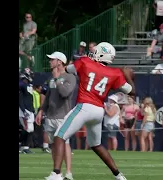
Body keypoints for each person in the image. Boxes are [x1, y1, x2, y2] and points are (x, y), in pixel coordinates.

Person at [46, 42, 135, 180]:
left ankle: (56, 174)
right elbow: (132, 92)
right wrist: (127, 75)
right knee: (96, 145)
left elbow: (69, 69)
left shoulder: (86, 61)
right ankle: (119, 175)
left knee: (59, 135)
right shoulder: (115, 73)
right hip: (99, 111)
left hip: (85, 106)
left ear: (100, 53)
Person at [35, 51, 76, 180]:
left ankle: (68, 173)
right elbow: (48, 96)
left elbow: (65, 93)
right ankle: (56, 173)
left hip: (63, 116)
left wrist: (58, 79)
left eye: (52, 59)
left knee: (65, 144)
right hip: (51, 116)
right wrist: (41, 110)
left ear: (60, 61)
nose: (50, 61)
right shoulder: (52, 78)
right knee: (54, 145)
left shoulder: (70, 77)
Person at [19, 70, 35, 154]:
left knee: (30, 129)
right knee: (27, 128)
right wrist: (23, 109)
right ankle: (24, 147)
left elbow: (30, 99)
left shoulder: (28, 85)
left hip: (29, 109)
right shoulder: (22, 85)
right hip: (24, 110)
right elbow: (20, 98)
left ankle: (24, 146)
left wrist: (32, 109)